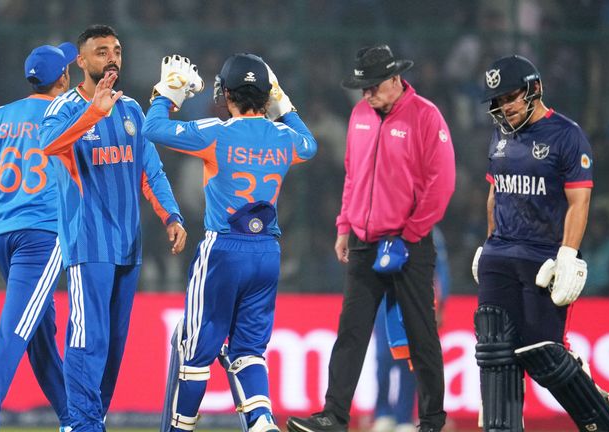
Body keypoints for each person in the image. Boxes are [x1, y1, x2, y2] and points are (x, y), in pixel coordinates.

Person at [141, 53, 317, 432]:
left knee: (194, 350)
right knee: (249, 350)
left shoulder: (216, 133)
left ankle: (177, 429)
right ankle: (261, 421)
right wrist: (283, 104)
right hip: (267, 253)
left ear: (226, 94)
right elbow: (310, 144)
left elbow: (151, 129)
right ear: (266, 95)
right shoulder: (285, 137)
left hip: (223, 249)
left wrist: (168, 93)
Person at [287, 44, 455, 432]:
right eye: (362, 87)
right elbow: (353, 174)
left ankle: (431, 420)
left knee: (420, 333)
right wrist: (345, 225)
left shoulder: (426, 116)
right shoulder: (361, 114)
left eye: (373, 86)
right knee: (352, 331)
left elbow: (441, 184)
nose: (366, 94)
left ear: (396, 80)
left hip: (409, 244)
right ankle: (334, 415)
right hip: (364, 241)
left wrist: (411, 232)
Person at [39, 25, 186, 432]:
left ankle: (89, 421)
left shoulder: (132, 110)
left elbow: (150, 170)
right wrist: (93, 113)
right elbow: (49, 145)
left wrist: (171, 215)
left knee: (114, 350)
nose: (112, 57)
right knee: (89, 342)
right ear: (81, 62)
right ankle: (83, 424)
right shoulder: (65, 107)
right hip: (88, 243)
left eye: (117, 50)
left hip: (128, 245)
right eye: (101, 51)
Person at [470, 54, 609, 432]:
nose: (505, 106)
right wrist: (487, 244)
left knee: (543, 353)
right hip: (500, 251)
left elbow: (579, 200)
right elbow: (495, 194)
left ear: (534, 89)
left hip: (543, 258)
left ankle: (601, 411)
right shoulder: (501, 134)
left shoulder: (567, 135)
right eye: (498, 101)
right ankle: (500, 425)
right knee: (493, 348)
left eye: (511, 97)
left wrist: (568, 254)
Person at [0, 42, 78, 432]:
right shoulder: (69, 112)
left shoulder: (0, 116)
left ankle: (72, 420)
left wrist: (4, 184)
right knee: (18, 327)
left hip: (3, 233)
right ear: (62, 78)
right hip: (43, 232)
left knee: (40, 331)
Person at [370, 227, 450, 432]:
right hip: (384, 300)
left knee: (409, 361)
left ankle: (403, 417)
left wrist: (441, 305)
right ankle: (382, 413)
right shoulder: (381, 226)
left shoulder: (430, 230)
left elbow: (441, 270)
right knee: (382, 359)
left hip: (413, 299)